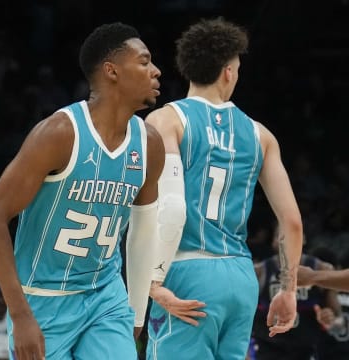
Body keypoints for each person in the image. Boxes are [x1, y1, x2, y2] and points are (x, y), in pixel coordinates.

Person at [0, 22, 164, 360]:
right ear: (111, 71)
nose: (156, 72)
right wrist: (20, 314)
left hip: (104, 295)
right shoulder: (59, 134)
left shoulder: (149, 143)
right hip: (42, 299)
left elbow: (143, 230)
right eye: (144, 62)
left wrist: (137, 310)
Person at [145, 17, 303, 360]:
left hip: (186, 272)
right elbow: (291, 222)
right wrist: (287, 290)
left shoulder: (165, 120)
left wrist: (151, 281)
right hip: (240, 277)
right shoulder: (261, 135)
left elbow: (171, 206)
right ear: (228, 72)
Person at [252, 224, 341, 360]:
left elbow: (338, 322)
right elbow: (242, 316)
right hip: (268, 348)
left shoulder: (322, 269)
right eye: (280, 236)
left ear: (303, 238)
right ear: (273, 241)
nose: (286, 240)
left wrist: (330, 318)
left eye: (292, 234)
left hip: (307, 349)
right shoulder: (258, 272)